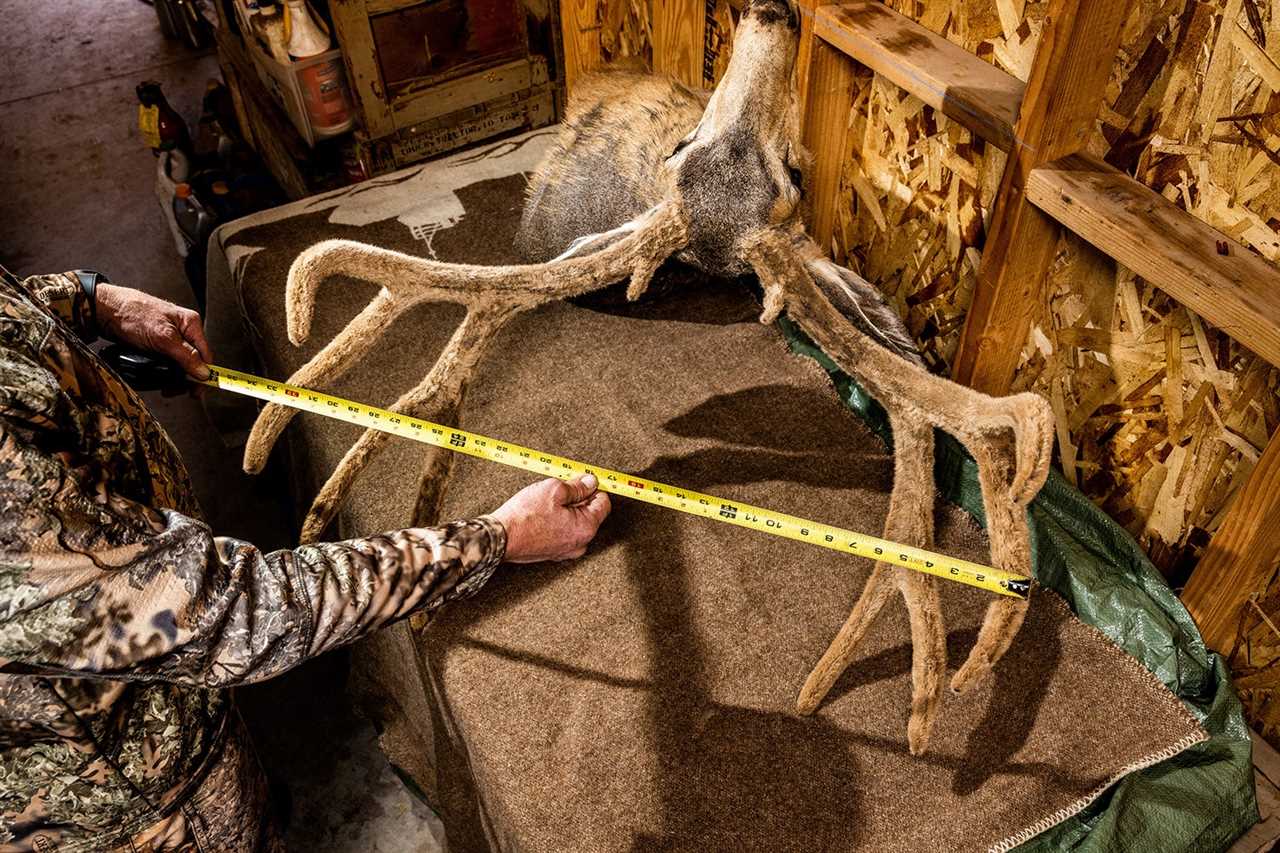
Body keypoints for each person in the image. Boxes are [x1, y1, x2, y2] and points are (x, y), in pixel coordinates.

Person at [0, 265, 612, 851]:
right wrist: (497, 538)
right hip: (126, 805)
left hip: (169, 704)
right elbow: (230, 613)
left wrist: (83, 299)